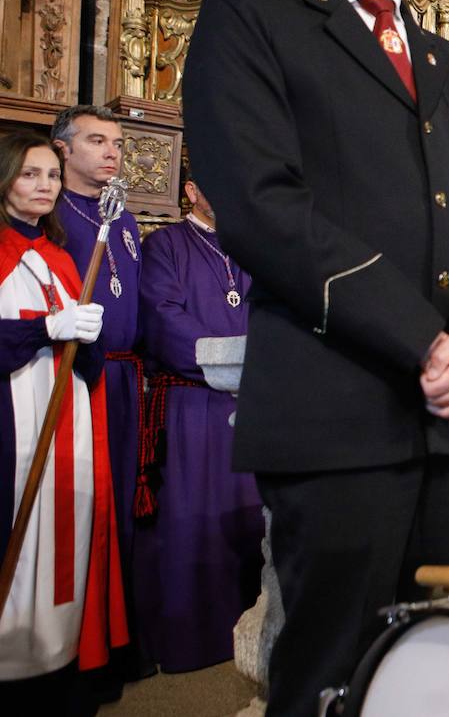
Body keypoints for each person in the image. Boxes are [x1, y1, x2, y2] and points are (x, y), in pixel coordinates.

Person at [182, 0, 449, 716]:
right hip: (337, 404)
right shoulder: (251, 13)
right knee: (336, 673)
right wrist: (428, 340)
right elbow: (261, 205)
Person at [0, 132, 126, 712]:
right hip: (13, 430)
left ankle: (53, 663)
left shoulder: (61, 257)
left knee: (63, 543)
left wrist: (88, 334)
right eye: (31, 174)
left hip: (66, 427)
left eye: (52, 176)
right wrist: (46, 329)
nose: (45, 186)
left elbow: (85, 365)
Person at [133, 176, 264, 672]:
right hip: (194, 404)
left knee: (251, 520)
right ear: (191, 191)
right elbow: (164, 316)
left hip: (254, 399)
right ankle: (198, 640)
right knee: (195, 519)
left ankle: (251, 629)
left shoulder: (251, 250)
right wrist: (228, 363)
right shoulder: (164, 245)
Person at [50, 104, 144, 678]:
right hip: (79, 377)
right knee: (84, 507)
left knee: (123, 512)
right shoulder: (53, 215)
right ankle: (73, 650)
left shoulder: (124, 218)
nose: (111, 152)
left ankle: (114, 641)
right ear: (62, 149)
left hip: (127, 376)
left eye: (116, 142)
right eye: (96, 141)